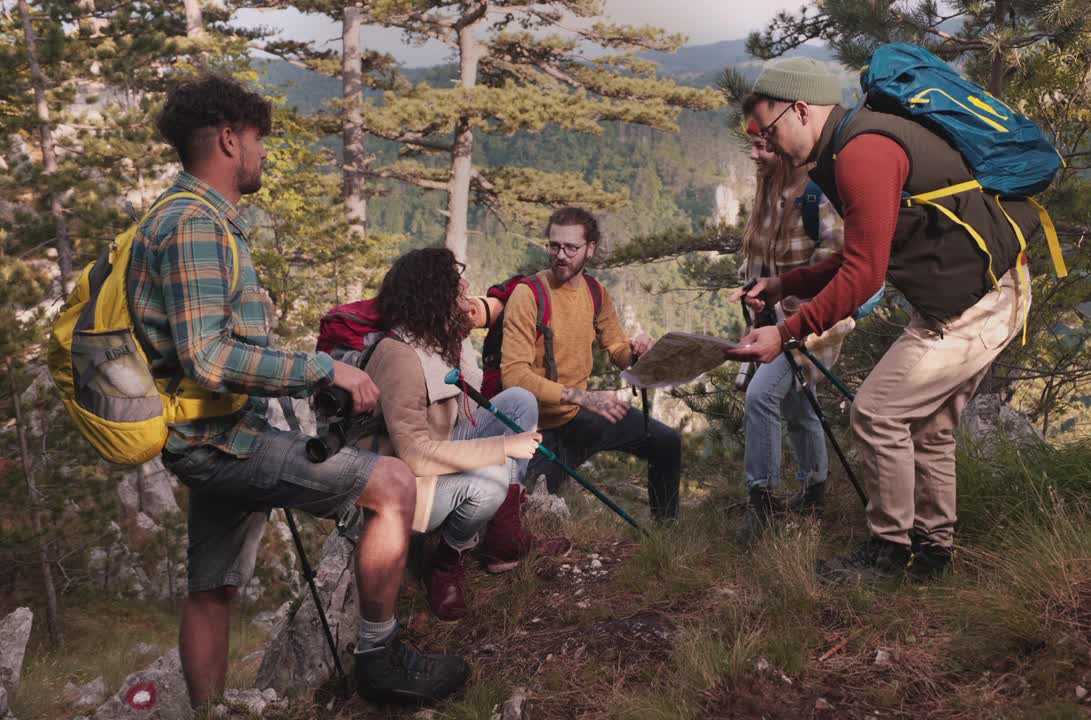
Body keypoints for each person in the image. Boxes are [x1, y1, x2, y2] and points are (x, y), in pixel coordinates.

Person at [132, 75, 467, 707]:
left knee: (211, 588)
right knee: (393, 484)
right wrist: (322, 369)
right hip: (223, 442)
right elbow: (208, 356)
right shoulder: (195, 226)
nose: (262, 154)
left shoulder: (191, 218)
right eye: (257, 140)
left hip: (211, 434)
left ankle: (209, 711)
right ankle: (380, 659)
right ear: (229, 140)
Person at [728, 57, 1037, 584]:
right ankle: (934, 554)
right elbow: (864, 253)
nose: (765, 141)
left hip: (974, 306)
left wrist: (783, 334)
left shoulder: (861, 153)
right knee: (932, 428)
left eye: (767, 128)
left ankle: (889, 552)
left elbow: (864, 275)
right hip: (985, 295)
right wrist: (786, 285)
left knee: (876, 413)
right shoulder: (860, 143)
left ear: (801, 110)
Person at [361, 248, 567, 622]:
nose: (467, 289)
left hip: (443, 448)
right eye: (457, 287)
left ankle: (502, 539)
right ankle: (444, 562)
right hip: (410, 484)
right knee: (489, 480)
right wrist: (502, 447)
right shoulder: (400, 357)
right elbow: (415, 455)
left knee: (519, 400)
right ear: (434, 296)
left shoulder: (437, 338)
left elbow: (487, 317)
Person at [501, 207, 682, 522]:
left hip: (578, 417)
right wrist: (583, 397)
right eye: (554, 245)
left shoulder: (595, 292)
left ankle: (666, 535)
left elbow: (616, 347)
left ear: (590, 249)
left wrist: (637, 353)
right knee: (530, 516)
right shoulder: (528, 295)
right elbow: (514, 376)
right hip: (539, 428)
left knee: (666, 442)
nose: (561, 255)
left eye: (571, 248)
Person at [735, 116, 854, 545]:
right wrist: (753, 288)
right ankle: (815, 489)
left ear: (782, 149)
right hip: (774, 321)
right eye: (752, 147)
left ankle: (761, 501)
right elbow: (758, 257)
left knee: (761, 396)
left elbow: (840, 267)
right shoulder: (768, 194)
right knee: (800, 405)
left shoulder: (815, 195)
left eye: (763, 148)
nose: (755, 156)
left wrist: (788, 302)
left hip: (814, 325)